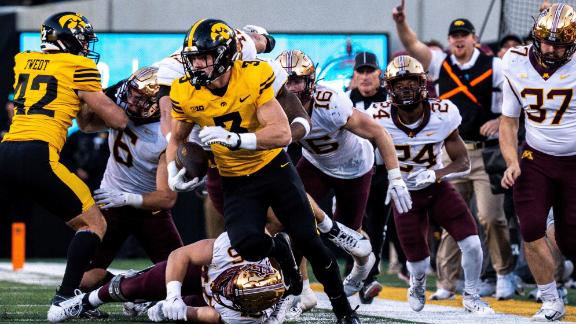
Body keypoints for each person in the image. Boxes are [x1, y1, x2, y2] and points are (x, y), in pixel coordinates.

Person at [167, 19, 359, 323]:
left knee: (309, 240)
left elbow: (282, 134)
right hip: (235, 180)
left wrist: (237, 140)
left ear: (224, 55)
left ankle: (344, 312)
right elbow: (177, 137)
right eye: (193, 59)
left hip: (273, 168)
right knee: (246, 244)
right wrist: (171, 169)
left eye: (203, 57)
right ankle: (278, 249)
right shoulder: (186, 91)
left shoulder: (254, 74)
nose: (197, 66)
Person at [0, 12, 128, 322]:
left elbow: (83, 123)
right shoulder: (80, 66)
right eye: (82, 39)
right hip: (38, 154)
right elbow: (118, 120)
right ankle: (66, 297)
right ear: (67, 39)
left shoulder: (24, 60)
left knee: (80, 224)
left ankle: (82, 288)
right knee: (94, 224)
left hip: (7, 151)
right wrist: (120, 93)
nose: (85, 46)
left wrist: (90, 103)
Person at [393, 3, 515, 300]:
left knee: (490, 217)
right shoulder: (440, 63)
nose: (458, 40)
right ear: (449, 40)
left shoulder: (494, 65)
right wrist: (401, 23)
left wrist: (499, 120)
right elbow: (412, 45)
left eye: (464, 35)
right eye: (454, 35)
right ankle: (448, 282)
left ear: (475, 38)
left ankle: (503, 273)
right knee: (450, 216)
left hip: (486, 153)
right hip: (450, 153)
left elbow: (513, 99)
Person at [276, 49, 412, 297]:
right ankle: (300, 289)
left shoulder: (330, 102)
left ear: (310, 80)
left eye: (296, 80)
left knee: (349, 231)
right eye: (286, 82)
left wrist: (395, 177)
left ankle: (363, 266)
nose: (291, 88)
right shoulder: (275, 104)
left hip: (354, 167)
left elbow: (379, 133)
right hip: (315, 163)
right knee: (293, 218)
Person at [368, 55, 493, 314]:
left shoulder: (443, 114)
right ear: (389, 88)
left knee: (471, 242)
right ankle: (418, 283)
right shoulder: (376, 117)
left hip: (436, 189)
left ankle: (471, 295)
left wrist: (437, 174)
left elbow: (463, 162)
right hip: (403, 194)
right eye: (399, 83)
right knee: (418, 260)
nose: (405, 88)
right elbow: (362, 156)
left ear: (422, 83)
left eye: (411, 81)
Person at [500, 3, 576, 320]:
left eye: (559, 43)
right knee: (530, 226)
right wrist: (510, 161)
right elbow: (507, 121)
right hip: (535, 156)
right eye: (546, 40)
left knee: (571, 242)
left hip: (574, 162)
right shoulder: (513, 61)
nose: (551, 48)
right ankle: (550, 300)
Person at [77, 67, 183, 295]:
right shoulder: (122, 108)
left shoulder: (165, 134)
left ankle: (135, 288)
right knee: (82, 279)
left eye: (140, 99)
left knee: (181, 279)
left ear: (157, 103)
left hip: (148, 208)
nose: (131, 102)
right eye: (131, 94)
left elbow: (166, 198)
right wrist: (87, 95)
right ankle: (126, 287)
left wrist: (126, 198)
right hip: (111, 201)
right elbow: (86, 125)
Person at [46, 231, 296, 323]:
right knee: (135, 287)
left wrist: (174, 310)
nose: (225, 290)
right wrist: (173, 297)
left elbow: (207, 315)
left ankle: (153, 303)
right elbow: (180, 255)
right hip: (201, 272)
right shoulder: (238, 248)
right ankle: (83, 302)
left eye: (232, 295)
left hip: (212, 304)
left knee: (185, 310)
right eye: (232, 286)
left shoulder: (245, 318)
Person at [346, 51, 409, 303]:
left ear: (379, 74)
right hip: (349, 171)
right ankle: (354, 273)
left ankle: (369, 276)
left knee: (376, 225)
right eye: (359, 71)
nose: (364, 76)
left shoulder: (391, 100)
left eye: (369, 71)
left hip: (381, 171)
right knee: (350, 224)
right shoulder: (344, 100)